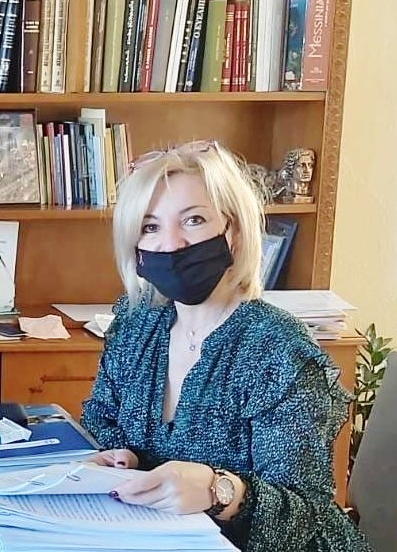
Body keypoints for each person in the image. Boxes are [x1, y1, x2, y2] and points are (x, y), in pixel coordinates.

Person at [81, 140, 369, 551]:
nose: (172, 244)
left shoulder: (278, 351)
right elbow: (101, 418)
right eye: (150, 227)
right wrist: (118, 457)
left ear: (232, 231)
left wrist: (219, 491)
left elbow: (307, 518)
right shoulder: (137, 321)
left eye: (194, 220)